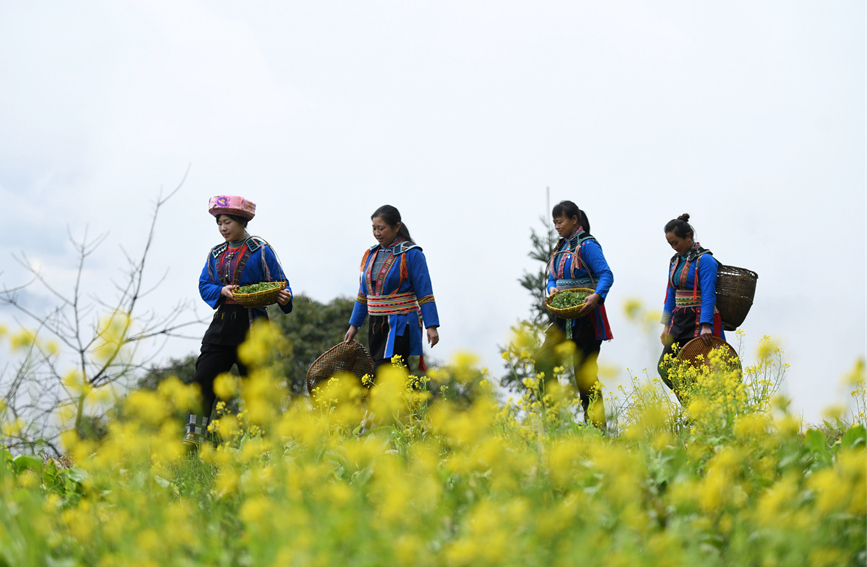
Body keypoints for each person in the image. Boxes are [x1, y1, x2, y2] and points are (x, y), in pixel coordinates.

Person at [184, 195, 293, 447]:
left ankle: (262, 442)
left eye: (228, 222)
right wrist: (221, 291)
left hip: (252, 326)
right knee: (203, 379)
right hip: (221, 326)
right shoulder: (215, 254)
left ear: (242, 222)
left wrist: (285, 297)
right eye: (219, 223)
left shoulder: (261, 250)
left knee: (255, 388)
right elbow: (204, 284)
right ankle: (193, 438)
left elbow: (281, 283)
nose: (223, 228)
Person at [536, 200, 613, 428]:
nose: (557, 226)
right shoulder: (560, 247)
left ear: (574, 220)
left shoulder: (588, 245)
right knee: (542, 361)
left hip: (586, 318)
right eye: (554, 223)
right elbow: (552, 277)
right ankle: (553, 420)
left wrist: (596, 296)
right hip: (562, 318)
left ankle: (597, 429)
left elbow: (606, 274)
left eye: (560, 221)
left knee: (584, 375)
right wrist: (552, 288)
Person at [344, 205, 439, 372]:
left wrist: (431, 325)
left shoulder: (412, 254)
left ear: (397, 227)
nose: (377, 233)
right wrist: (354, 325)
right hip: (376, 325)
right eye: (374, 228)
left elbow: (424, 291)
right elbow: (363, 293)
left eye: (381, 228)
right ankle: (413, 390)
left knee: (385, 369)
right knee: (396, 371)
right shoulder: (371, 254)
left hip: (400, 322)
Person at [658, 213, 725, 401]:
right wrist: (666, 325)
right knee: (665, 367)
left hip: (699, 323)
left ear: (688, 236)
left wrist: (706, 325)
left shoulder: (705, 260)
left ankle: (702, 410)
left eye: (676, 242)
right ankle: (694, 406)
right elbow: (671, 294)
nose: (674, 247)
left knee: (701, 370)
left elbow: (709, 293)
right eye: (670, 244)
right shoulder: (675, 261)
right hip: (680, 322)